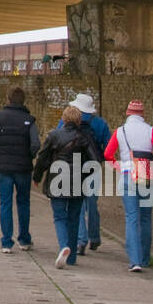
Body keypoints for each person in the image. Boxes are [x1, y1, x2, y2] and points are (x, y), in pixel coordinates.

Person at [32, 105, 101, 269]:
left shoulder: (54, 136)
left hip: (57, 181)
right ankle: (71, 258)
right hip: (78, 183)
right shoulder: (84, 137)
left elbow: (42, 158)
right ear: (78, 121)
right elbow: (95, 161)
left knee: (59, 217)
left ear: (63, 119)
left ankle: (64, 246)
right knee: (74, 218)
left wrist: (37, 176)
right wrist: (85, 176)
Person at [104, 100, 153, 273]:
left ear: (128, 113)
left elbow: (108, 154)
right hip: (147, 175)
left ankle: (135, 260)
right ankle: (145, 259)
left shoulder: (120, 131)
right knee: (146, 219)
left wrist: (118, 166)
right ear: (142, 114)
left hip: (127, 175)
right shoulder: (150, 130)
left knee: (131, 218)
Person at [0, 87, 41, 253]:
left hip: (3, 168)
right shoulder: (29, 120)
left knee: (5, 203)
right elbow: (36, 144)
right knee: (23, 202)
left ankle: (6, 242)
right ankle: (24, 239)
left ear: (8, 99)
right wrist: (28, 156)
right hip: (23, 168)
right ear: (23, 101)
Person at [57, 93, 110, 255]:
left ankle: (81, 240)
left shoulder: (65, 122)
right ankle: (94, 237)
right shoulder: (100, 123)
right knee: (92, 203)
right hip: (93, 166)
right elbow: (108, 147)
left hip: (73, 166)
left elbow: (59, 140)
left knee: (77, 203)